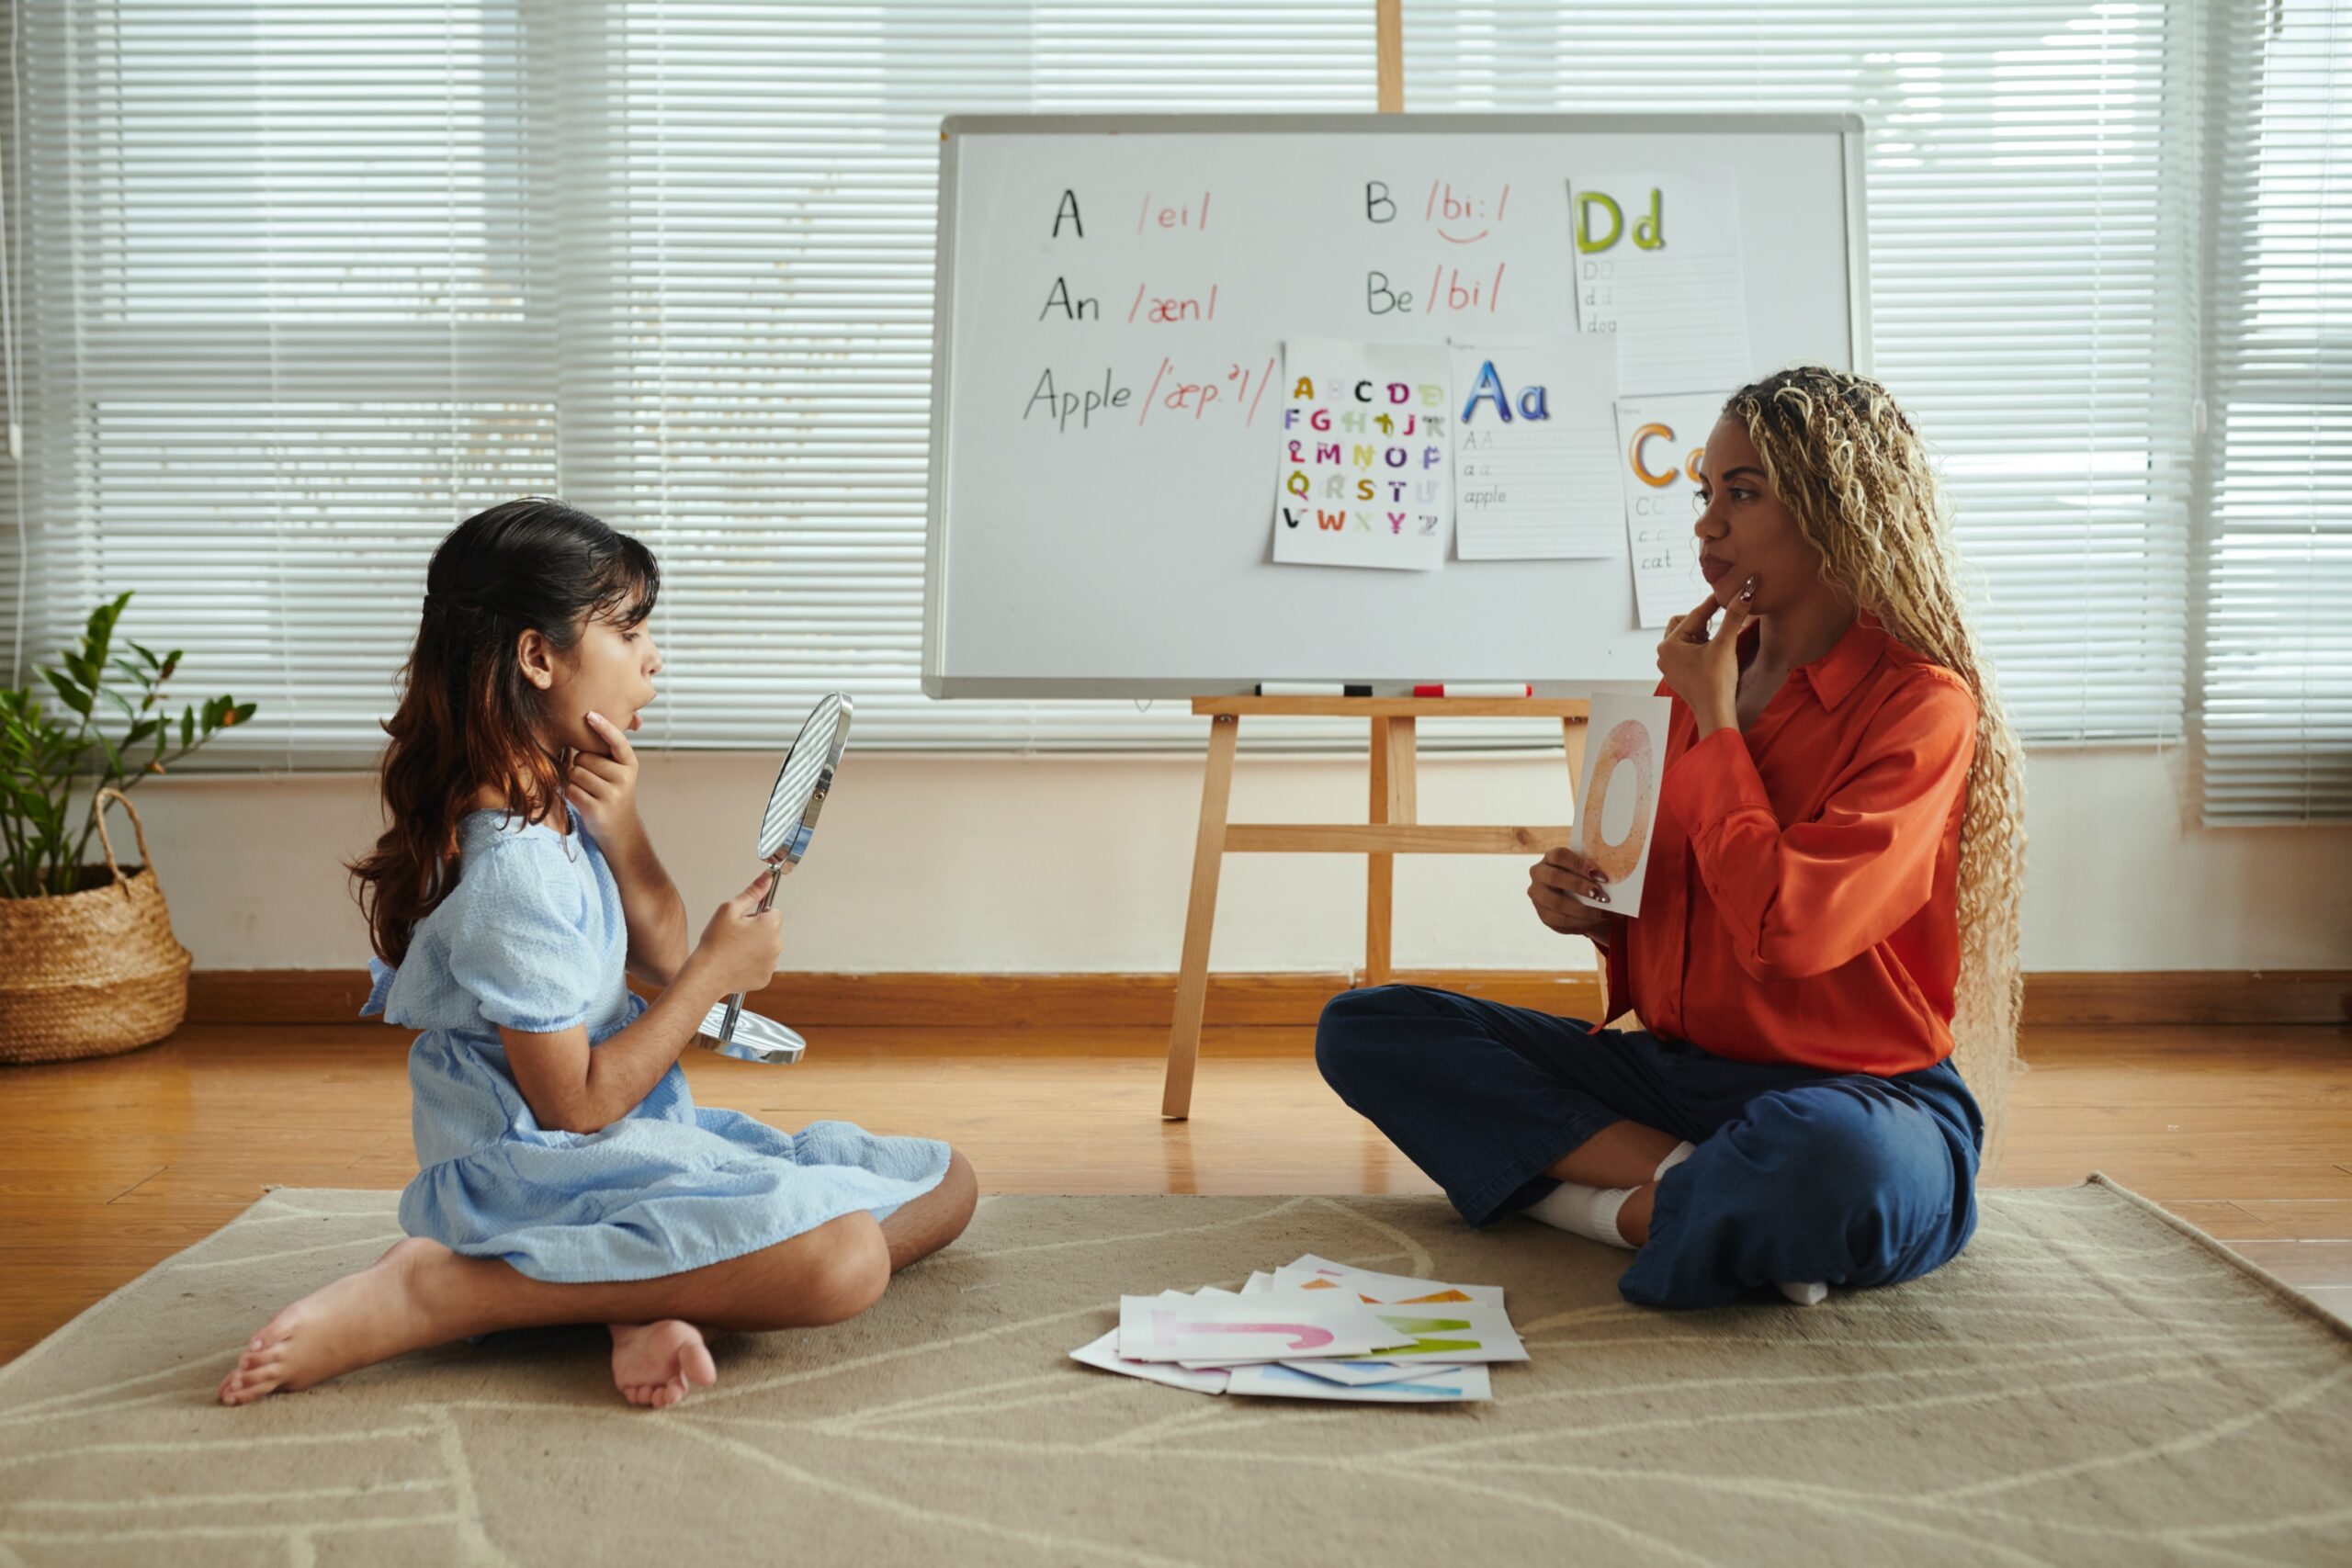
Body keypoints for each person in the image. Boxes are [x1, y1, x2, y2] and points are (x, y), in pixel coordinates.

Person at [220, 498, 976, 1407]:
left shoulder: (559, 799)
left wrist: (626, 831)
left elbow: (658, 957)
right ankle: (442, 1292)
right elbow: (574, 1106)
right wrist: (714, 976)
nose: (653, 658)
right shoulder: (511, 875)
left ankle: (635, 1300)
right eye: (627, 631)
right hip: (535, 1169)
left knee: (946, 1183)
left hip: (628, 1139)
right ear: (537, 657)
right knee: (846, 1260)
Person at [1316, 367, 2027, 1309]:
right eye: (1705, 494)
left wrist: (1718, 722)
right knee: (1368, 1028)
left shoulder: (1920, 706)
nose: (1707, 525)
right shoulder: (1689, 685)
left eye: (1743, 494)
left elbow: (1790, 930)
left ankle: (1600, 1201)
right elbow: (1684, 910)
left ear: (1836, 513)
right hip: (1677, 1080)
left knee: (1835, 1163)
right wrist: (1592, 912)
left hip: (1858, 1094)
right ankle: (1689, 1191)